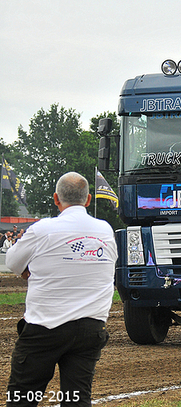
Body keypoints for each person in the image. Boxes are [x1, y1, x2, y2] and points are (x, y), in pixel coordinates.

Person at [6, 172, 117, 407]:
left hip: (45, 327)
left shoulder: (43, 229)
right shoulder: (106, 231)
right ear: (87, 201)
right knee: (76, 399)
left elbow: (12, 263)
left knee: (22, 397)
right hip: (90, 327)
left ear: (56, 199)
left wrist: (32, 269)